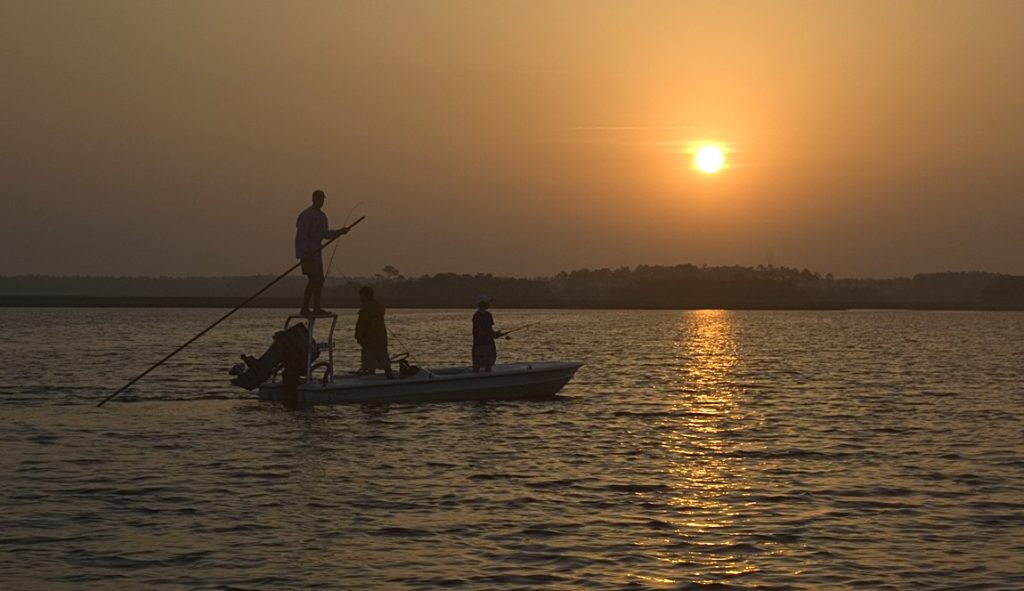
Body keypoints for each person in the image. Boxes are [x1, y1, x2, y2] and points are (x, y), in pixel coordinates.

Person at [295, 189, 348, 315]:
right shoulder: (307, 215)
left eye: (323, 199)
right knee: (314, 279)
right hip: (308, 252)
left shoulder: (322, 216)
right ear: (313, 199)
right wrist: (305, 252)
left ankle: (316, 307)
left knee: (319, 279)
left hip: (317, 252)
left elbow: (325, 234)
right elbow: (301, 236)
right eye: (319, 198)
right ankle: (305, 308)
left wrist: (339, 232)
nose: (321, 201)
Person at [355, 286, 394, 378]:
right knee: (384, 362)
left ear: (365, 296)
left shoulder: (366, 310)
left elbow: (362, 326)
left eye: (361, 296)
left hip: (369, 342)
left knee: (369, 365)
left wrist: (359, 337)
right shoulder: (378, 307)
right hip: (381, 340)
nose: (360, 298)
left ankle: (370, 380)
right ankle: (389, 377)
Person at [472, 294, 504, 372]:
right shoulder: (477, 316)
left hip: (490, 344)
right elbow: (479, 332)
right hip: (480, 344)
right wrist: (492, 334)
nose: (489, 304)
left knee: (489, 363)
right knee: (478, 365)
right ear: (481, 303)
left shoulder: (489, 315)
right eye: (487, 302)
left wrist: (495, 334)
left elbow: (490, 329)